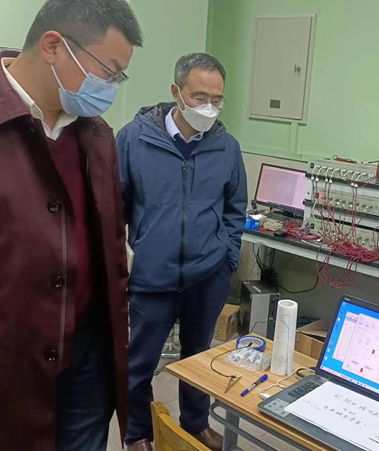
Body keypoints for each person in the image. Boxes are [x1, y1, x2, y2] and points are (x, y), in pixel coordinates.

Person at [0, 1, 142, 449]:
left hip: (87, 364)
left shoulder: (97, 135)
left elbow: (111, 250)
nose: (111, 87)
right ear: (53, 46)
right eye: (108, 72)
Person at [117, 53, 247, 451]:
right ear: (176, 91)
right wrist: (127, 263)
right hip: (151, 276)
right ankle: (138, 433)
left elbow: (235, 208)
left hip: (206, 275)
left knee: (199, 359)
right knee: (139, 363)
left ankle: (196, 423)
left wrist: (227, 257)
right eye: (199, 97)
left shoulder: (227, 147)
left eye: (217, 99)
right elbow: (115, 207)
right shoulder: (134, 139)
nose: (209, 107)